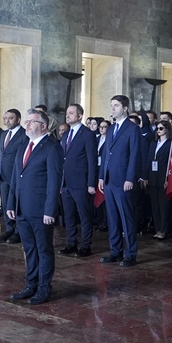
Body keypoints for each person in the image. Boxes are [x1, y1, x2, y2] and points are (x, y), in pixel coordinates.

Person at [5, 109, 64, 304]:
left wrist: (50, 210)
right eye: (27, 121)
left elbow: (54, 182)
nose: (27, 124)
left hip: (40, 211)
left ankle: (44, 288)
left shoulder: (52, 147)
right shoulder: (23, 145)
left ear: (44, 126)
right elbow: (16, 177)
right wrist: (11, 203)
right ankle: (31, 284)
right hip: (22, 208)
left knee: (43, 249)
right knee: (29, 249)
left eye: (32, 121)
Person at [98, 94, 143, 267]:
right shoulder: (110, 129)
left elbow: (135, 155)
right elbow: (105, 155)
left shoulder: (133, 129)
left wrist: (130, 178)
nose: (112, 109)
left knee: (126, 217)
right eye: (111, 105)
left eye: (115, 105)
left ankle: (130, 253)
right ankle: (115, 250)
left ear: (125, 108)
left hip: (123, 180)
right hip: (109, 180)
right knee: (112, 218)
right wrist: (101, 176)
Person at [59, 103, 97, 257]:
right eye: (67, 113)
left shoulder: (87, 134)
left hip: (81, 183)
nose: (67, 115)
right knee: (68, 215)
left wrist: (90, 183)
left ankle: (86, 245)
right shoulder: (66, 134)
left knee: (84, 215)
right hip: (66, 183)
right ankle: (71, 243)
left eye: (71, 113)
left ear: (80, 116)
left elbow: (92, 160)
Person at [0, 109, 26, 244]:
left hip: (16, 176)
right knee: (6, 204)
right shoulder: (3, 134)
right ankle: (9, 229)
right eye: (5, 118)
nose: (7, 120)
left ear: (18, 120)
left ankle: (19, 232)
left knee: (17, 204)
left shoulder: (24, 135)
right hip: (2, 176)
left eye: (10, 118)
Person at [144, 120, 172, 239]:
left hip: (163, 178)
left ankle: (164, 229)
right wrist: (145, 176)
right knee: (155, 206)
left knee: (164, 206)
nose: (159, 130)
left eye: (161, 128)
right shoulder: (153, 144)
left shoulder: (171, 144)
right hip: (153, 178)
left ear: (167, 129)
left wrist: (169, 179)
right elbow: (148, 161)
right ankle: (157, 229)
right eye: (157, 128)